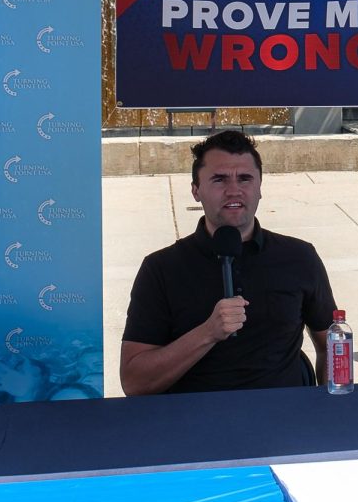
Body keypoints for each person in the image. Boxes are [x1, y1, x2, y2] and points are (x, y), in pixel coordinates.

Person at [120, 129, 337, 395]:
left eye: (245, 179)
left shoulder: (299, 257)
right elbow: (134, 382)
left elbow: (331, 345)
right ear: (196, 191)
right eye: (219, 180)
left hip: (283, 421)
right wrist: (208, 332)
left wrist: (331, 411)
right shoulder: (161, 268)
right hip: (192, 423)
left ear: (259, 188)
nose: (233, 190)